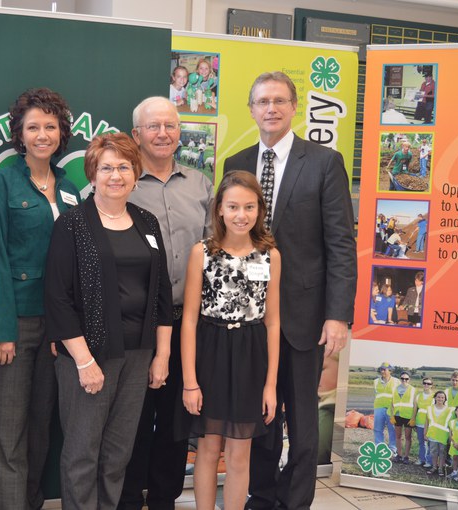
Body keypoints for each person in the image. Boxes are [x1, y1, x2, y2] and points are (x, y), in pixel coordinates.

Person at [223, 71, 357, 510]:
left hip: (304, 319)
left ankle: (295, 502)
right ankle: (261, 498)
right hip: (249, 321)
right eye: (262, 101)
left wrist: (337, 315)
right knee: (259, 419)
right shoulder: (236, 163)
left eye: (280, 101)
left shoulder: (323, 161)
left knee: (301, 423)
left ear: (294, 107)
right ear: (252, 109)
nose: (271, 109)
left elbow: (340, 243)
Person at [45, 132, 173, 510]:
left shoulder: (146, 222)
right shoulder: (72, 224)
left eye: (123, 167)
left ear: (135, 173)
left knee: (118, 454)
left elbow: (162, 293)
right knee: (83, 453)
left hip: (138, 355)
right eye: (106, 168)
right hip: (91, 355)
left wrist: (162, 355)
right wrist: (84, 362)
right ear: (92, 174)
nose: (115, 175)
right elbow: (58, 299)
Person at [0, 88, 81, 510]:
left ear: (61, 133)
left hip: (57, 326)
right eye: (33, 127)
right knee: (9, 435)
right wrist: (2, 332)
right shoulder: (0, 185)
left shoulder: (71, 186)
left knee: (41, 429)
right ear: (18, 134)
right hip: (15, 326)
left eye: (50, 127)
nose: (42, 135)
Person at [120, 96, 213, 510]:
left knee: (176, 423)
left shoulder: (201, 184)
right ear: (136, 134)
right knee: (132, 420)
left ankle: (163, 499)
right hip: (135, 324)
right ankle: (125, 499)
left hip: (188, 322)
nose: (162, 134)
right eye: (153, 127)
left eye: (170, 126)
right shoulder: (119, 182)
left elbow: (217, 249)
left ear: (180, 133)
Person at [181, 171, 280, 510]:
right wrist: (191, 382)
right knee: (208, 449)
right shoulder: (203, 253)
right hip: (211, 352)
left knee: (240, 450)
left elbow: (272, 321)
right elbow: (190, 320)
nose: (241, 215)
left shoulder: (270, 256)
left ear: (260, 210)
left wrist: (270, 385)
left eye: (249, 207)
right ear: (219, 209)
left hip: (251, 356)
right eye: (233, 206)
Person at [389, 371, 416, 464]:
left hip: (408, 416)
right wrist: (392, 415)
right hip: (397, 415)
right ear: (400, 379)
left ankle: (406, 457)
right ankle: (399, 455)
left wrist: (413, 418)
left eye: (406, 379)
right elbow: (392, 403)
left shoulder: (413, 390)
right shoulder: (395, 389)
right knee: (398, 436)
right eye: (402, 378)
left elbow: (415, 405)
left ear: (409, 380)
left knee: (408, 437)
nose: (404, 380)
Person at [373, 363, 399, 455]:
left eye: (385, 369)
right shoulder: (376, 381)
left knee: (392, 429)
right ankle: (379, 448)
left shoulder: (396, 381)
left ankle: (392, 449)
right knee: (377, 429)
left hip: (391, 408)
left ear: (390, 371)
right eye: (381, 369)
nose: (382, 371)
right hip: (379, 407)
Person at [424, 391, 452, 477]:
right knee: (433, 452)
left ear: (445, 399)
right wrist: (425, 433)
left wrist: (451, 436)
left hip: (443, 435)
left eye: (442, 397)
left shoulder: (449, 410)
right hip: (433, 434)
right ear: (435, 398)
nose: (440, 399)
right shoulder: (429, 408)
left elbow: (451, 424)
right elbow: (427, 422)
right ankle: (434, 467)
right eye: (438, 397)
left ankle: (440, 468)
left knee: (442, 452)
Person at [412, 377, 435, 467]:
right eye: (425, 383)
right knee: (421, 442)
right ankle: (422, 459)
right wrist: (413, 419)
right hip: (419, 421)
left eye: (428, 384)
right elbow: (415, 408)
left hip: (430, 422)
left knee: (429, 442)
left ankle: (429, 461)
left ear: (431, 385)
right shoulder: (418, 396)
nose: (426, 385)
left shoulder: (434, 396)